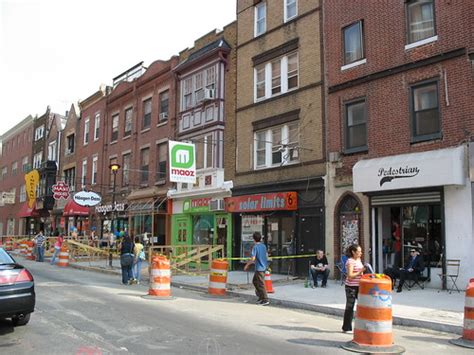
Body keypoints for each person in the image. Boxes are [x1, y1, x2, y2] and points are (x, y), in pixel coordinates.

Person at [342, 244, 365, 333]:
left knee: (362, 305)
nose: (361, 253)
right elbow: (350, 276)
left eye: (361, 251)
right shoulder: (350, 261)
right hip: (351, 287)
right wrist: (360, 271)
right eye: (359, 252)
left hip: (359, 286)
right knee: (350, 307)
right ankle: (346, 327)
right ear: (353, 252)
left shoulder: (358, 260)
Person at [244, 232, 269, 306]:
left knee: (261, 284)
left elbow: (253, 258)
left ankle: (265, 299)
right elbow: (266, 255)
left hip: (259, 268)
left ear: (254, 239)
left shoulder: (255, 247)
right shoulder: (263, 246)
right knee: (255, 281)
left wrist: (247, 265)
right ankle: (261, 297)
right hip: (263, 267)